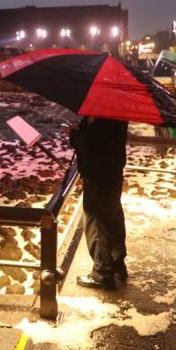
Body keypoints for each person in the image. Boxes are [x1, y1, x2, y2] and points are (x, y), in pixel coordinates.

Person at [69, 116, 129, 290]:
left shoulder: (101, 118)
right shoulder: (117, 115)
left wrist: (74, 134)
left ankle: (102, 273)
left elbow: (91, 146)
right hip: (113, 172)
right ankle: (117, 264)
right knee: (113, 217)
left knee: (96, 223)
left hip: (97, 175)